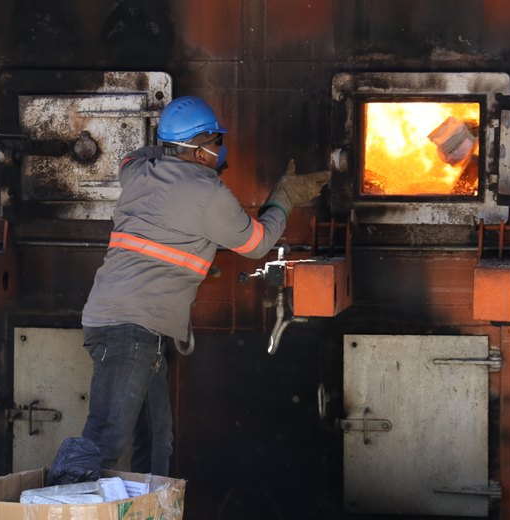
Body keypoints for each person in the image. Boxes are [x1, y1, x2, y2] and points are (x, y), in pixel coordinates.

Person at [79, 95, 330, 476]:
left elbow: (132, 156)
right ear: (198, 151)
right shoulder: (208, 193)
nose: (220, 148)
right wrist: (285, 196)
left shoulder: (138, 172)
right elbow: (258, 243)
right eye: (215, 142)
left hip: (135, 327)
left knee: (156, 439)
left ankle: (152, 512)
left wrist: (172, 152)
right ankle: (65, 506)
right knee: (105, 441)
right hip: (129, 328)